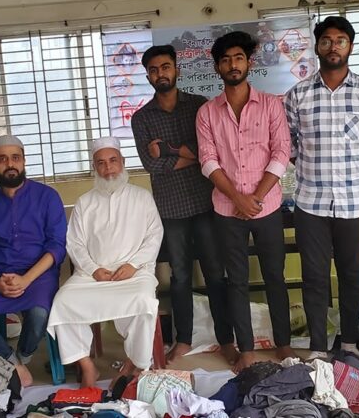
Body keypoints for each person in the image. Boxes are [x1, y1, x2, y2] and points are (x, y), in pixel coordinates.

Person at [283, 16, 359, 360]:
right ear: (317, 47)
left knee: (350, 276)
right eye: (326, 41)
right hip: (310, 203)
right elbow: (289, 144)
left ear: (350, 47)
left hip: (353, 201)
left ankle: (349, 344)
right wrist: (312, 166)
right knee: (314, 276)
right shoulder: (298, 94)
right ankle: (317, 347)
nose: (333, 47)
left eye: (340, 41)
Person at [130, 45, 236, 364]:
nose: (160, 73)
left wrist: (169, 149)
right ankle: (184, 339)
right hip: (170, 208)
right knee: (179, 276)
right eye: (153, 70)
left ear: (176, 69)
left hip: (206, 202)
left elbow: (209, 151)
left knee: (215, 273)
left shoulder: (199, 106)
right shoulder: (141, 118)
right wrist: (192, 156)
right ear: (148, 76)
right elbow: (152, 164)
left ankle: (226, 338)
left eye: (165, 67)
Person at [196, 31, 294, 372]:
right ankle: (247, 349)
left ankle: (283, 343)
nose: (232, 65)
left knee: (274, 276)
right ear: (218, 68)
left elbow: (281, 152)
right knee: (236, 280)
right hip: (227, 209)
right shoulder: (207, 112)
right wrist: (238, 197)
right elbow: (208, 160)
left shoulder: (270, 105)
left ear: (249, 63)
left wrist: (256, 197)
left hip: (267, 206)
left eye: (238, 58)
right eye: (225, 60)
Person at [48, 137, 164, 387]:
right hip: (92, 276)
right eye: (101, 163)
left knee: (143, 301)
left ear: (123, 162)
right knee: (63, 301)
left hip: (135, 273)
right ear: (94, 167)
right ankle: (87, 366)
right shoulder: (85, 202)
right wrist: (93, 269)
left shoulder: (142, 197)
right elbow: (75, 243)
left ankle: (133, 364)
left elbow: (155, 235)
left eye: (113, 161)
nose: (108, 168)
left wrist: (133, 265)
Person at [0, 135, 67, 387]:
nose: (10, 164)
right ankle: (13, 362)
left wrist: (26, 279)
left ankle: (24, 354)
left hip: (38, 275)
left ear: (24, 161)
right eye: (2, 159)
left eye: (15, 158)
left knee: (39, 314)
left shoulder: (48, 197)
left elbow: (56, 246)